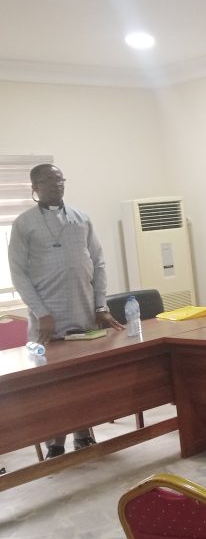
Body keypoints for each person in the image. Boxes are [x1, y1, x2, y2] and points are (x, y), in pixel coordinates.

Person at [8, 163, 124, 459]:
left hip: (84, 315)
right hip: (47, 321)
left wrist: (101, 306)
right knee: (51, 386)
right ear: (34, 188)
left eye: (59, 180)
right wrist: (40, 312)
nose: (56, 185)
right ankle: (55, 443)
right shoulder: (24, 224)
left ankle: (84, 434)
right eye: (48, 180)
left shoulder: (81, 219)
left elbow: (98, 263)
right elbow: (18, 273)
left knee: (83, 382)